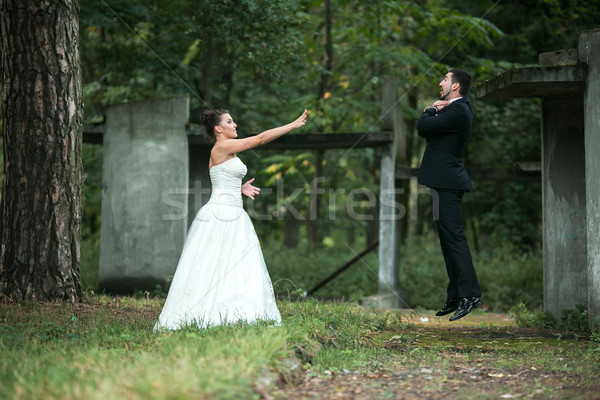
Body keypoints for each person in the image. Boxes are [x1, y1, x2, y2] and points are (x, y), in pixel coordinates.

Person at [154, 108, 308, 330]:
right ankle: (205, 312)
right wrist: (292, 125)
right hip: (222, 214)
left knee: (233, 263)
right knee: (213, 264)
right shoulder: (223, 146)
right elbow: (261, 138)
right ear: (218, 128)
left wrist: (239, 187)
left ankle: (233, 311)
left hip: (233, 212)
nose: (235, 125)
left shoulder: (225, 151)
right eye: (229, 121)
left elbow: (217, 178)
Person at [416, 68, 481, 321]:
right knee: (447, 240)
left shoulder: (457, 110)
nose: (440, 82)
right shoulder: (453, 110)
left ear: (455, 86)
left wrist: (431, 109)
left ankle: (470, 295)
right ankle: (455, 295)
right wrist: (435, 113)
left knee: (454, 238)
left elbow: (423, 126)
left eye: (444, 78)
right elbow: (430, 131)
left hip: (448, 183)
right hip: (440, 184)